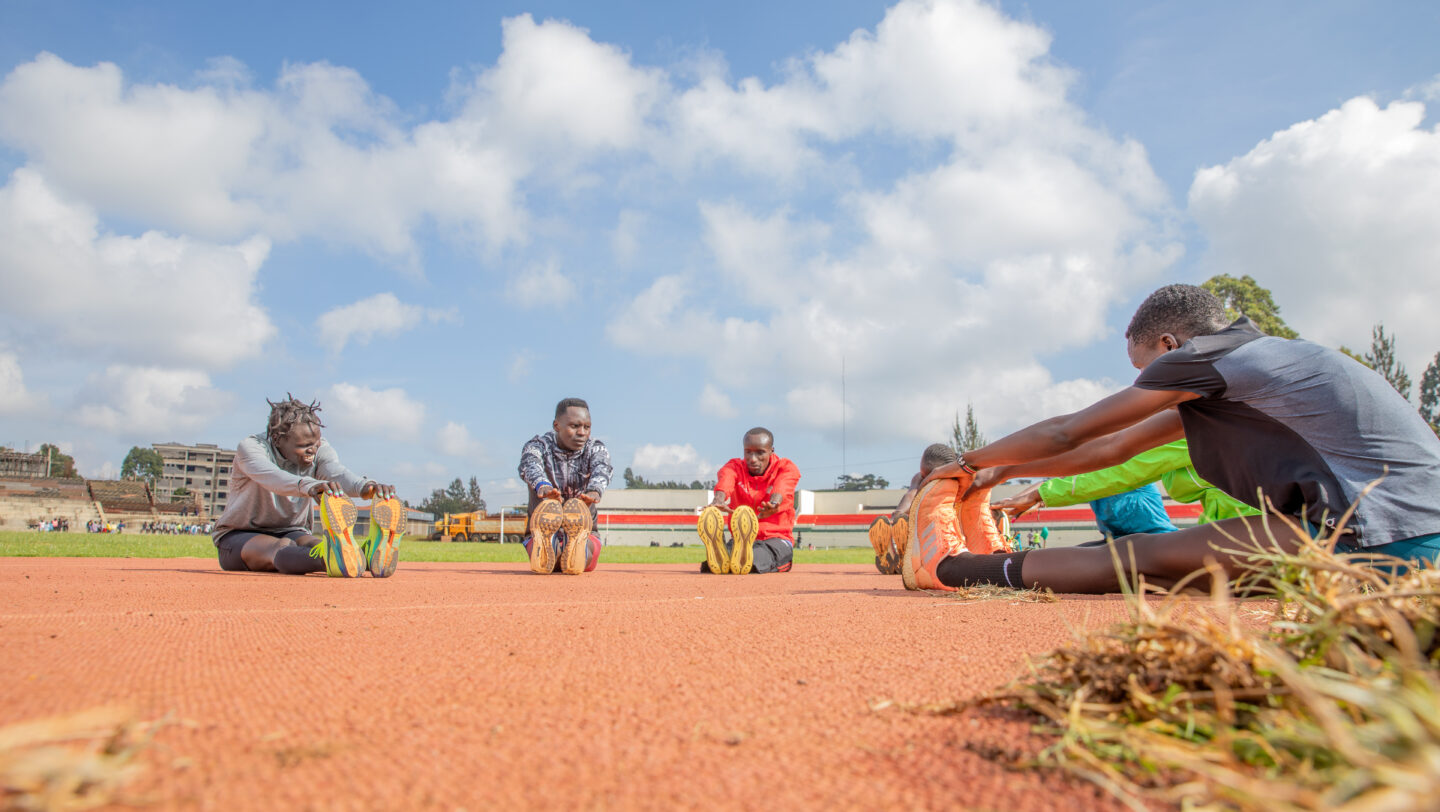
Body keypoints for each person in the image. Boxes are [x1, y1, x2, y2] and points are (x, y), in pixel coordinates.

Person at [907, 284, 1440, 594]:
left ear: (1170, 344)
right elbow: (1111, 450)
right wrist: (1007, 470)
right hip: (1411, 528)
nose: (1147, 384)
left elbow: (1071, 430)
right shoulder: (1256, 367)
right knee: (1180, 575)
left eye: (1145, 369)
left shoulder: (1204, 360)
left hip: (1385, 533)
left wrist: (968, 464)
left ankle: (950, 569)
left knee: (1138, 556)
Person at [211, 395, 398, 577]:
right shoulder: (251, 448)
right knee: (279, 547)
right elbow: (273, 477)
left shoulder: (320, 448)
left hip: (293, 529)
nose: (313, 450)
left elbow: (334, 472)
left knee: (315, 544)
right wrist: (311, 486)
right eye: (304, 445)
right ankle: (333, 560)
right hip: (239, 535)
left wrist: (366, 487)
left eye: (316, 443)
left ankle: (357, 555)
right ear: (277, 439)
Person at [993, 439, 1261, 546]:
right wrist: (1018, 501)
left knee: (1096, 561)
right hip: (1115, 538)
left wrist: (1035, 496)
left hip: (1152, 535)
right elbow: (1057, 480)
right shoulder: (1086, 474)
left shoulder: (1116, 466)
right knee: (1075, 554)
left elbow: (1098, 476)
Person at [518, 397, 612, 575]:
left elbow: (603, 468)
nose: (582, 432)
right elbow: (529, 464)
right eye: (574, 426)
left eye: (587, 427)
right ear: (556, 426)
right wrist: (542, 485)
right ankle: (550, 543)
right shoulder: (538, 445)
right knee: (549, 563)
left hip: (587, 531)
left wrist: (594, 490)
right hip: (538, 532)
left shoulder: (595, 448)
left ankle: (576, 544)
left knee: (583, 562)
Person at [696, 427, 802, 574]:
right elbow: (726, 478)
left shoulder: (785, 468)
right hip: (741, 541)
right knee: (711, 567)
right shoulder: (735, 467)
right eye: (748, 452)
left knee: (756, 559)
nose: (753, 459)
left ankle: (739, 557)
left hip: (776, 538)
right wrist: (718, 500)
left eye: (760, 453)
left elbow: (783, 486)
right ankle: (726, 551)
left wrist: (774, 503)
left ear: (772, 450)